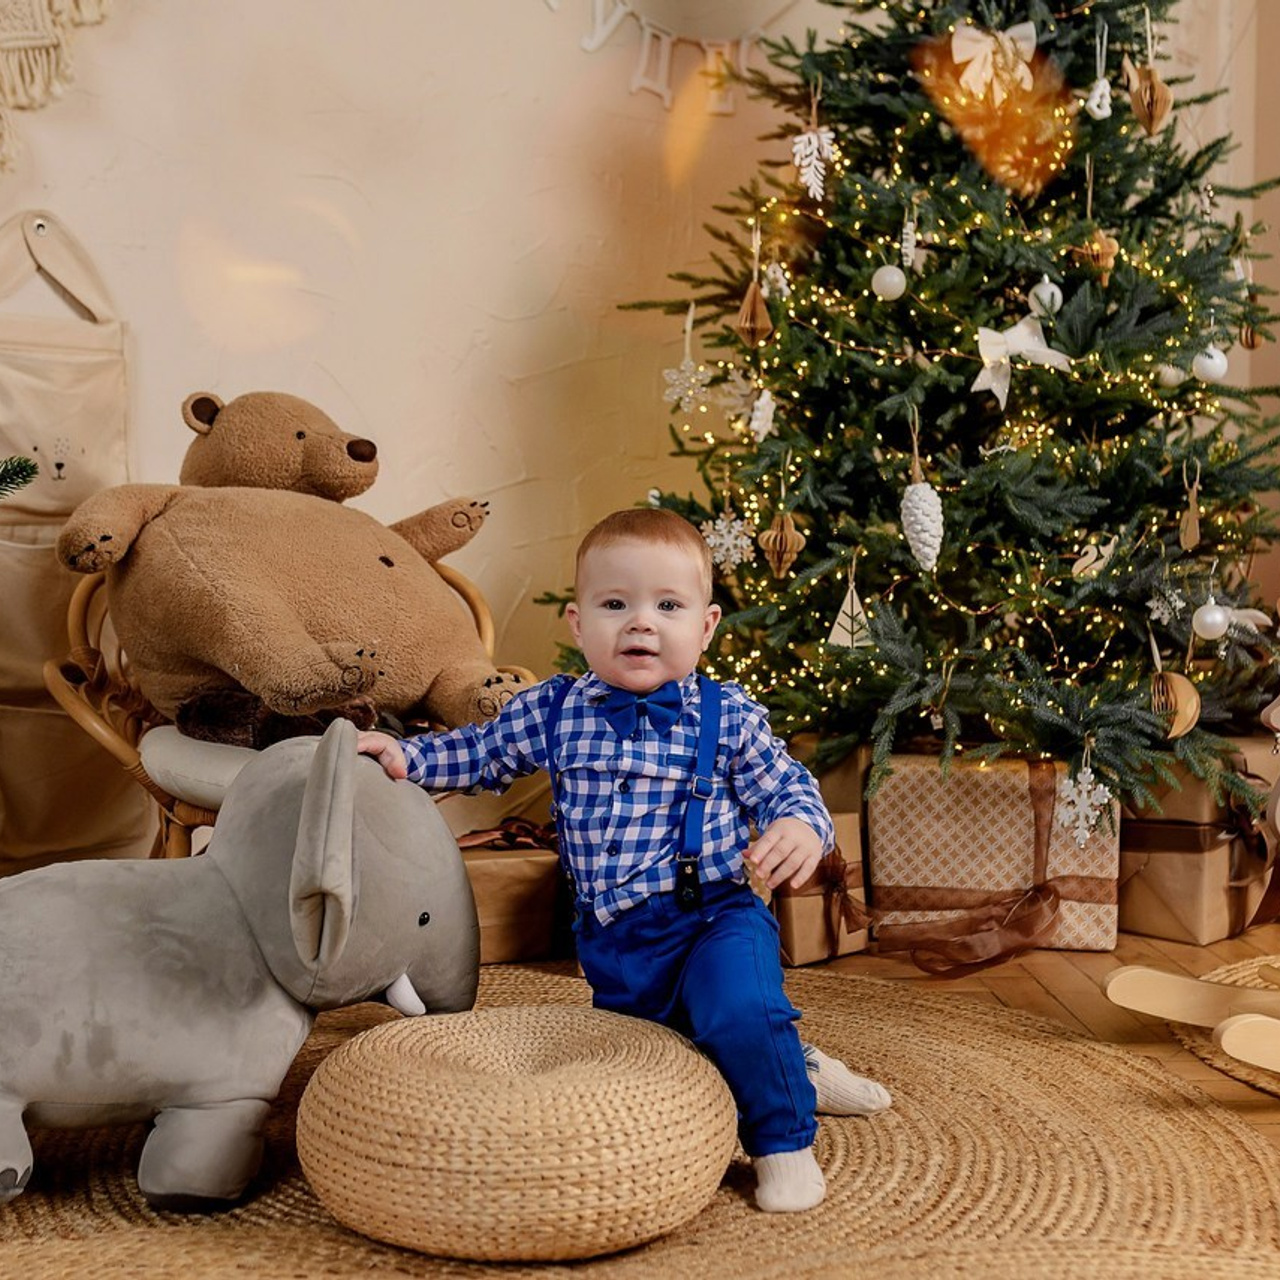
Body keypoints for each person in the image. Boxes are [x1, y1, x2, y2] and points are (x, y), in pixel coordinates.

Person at [357, 507, 891, 1212]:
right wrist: (408, 756)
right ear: (579, 626)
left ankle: (782, 1139)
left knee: (739, 1010)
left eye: (668, 606)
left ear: (705, 627)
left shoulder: (726, 715)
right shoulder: (554, 708)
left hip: (714, 916)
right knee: (663, 1056)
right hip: (613, 939)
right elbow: (480, 753)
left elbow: (786, 785)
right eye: (616, 604)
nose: (641, 623)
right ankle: (799, 1067)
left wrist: (798, 822)